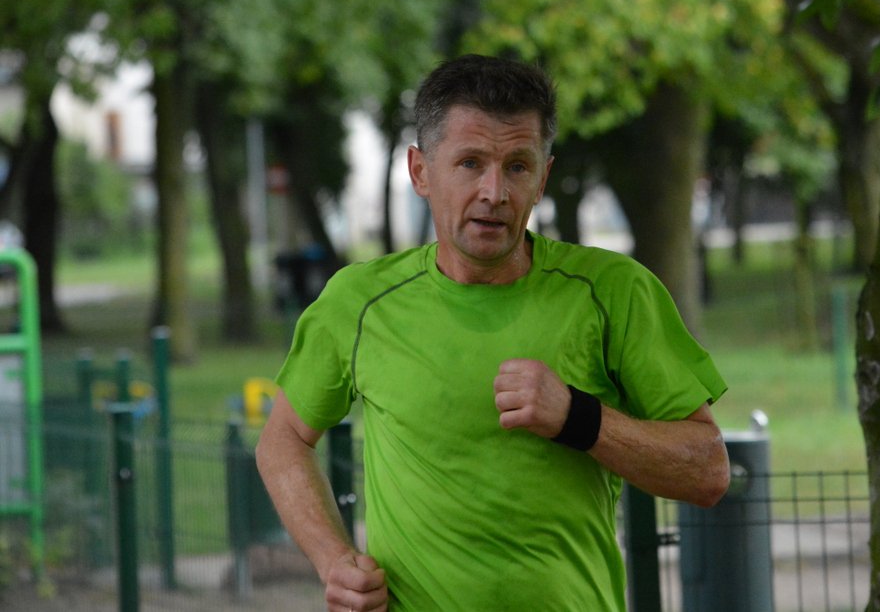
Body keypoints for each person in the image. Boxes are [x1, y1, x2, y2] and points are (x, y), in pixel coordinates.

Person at [256, 54, 730, 612]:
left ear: (543, 178)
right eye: (470, 163)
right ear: (420, 171)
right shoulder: (359, 301)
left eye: (518, 167)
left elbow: (708, 471)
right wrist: (333, 561)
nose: (494, 192)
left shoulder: (614, 291)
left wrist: (578, 417)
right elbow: (283, 440)